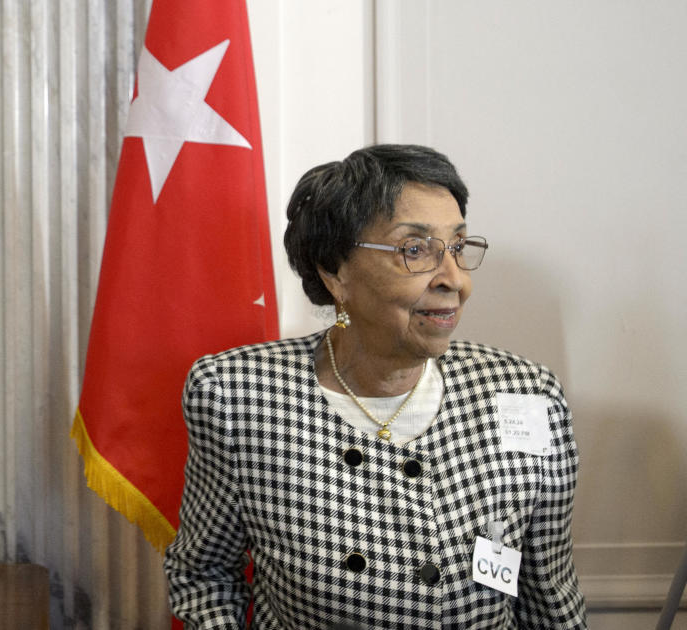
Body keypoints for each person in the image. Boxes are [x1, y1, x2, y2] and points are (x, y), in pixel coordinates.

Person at [164, 145, 586, 628]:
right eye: (415, 249)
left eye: (458, 247)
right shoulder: (239, 397)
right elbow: (204, 576)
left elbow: (548, 591)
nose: (455, 281)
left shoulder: (526, 395)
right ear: (335, 271)